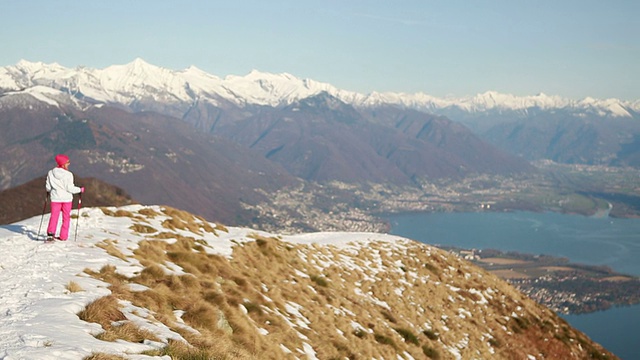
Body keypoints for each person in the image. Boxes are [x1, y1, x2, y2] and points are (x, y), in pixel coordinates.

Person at [45, 154, 84, 241]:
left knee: (54, 216)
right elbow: (70, 188)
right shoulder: (69, 175)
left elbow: (48, 187)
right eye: (67, 162)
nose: (69, 164)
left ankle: (51, 234)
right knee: (66, 218)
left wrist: (50, 191)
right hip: (66, 199)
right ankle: (63, 236)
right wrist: (80, 190)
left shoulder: (50, 173)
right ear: (63, 164)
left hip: (55, 198)